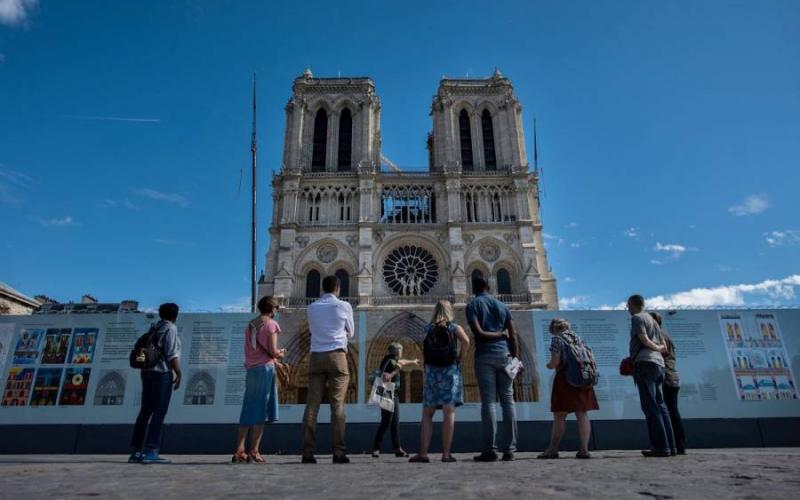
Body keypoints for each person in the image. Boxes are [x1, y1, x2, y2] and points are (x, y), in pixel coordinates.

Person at [409, 300, 470, 463]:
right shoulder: (453, 327)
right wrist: (460, 358)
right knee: (448, 411)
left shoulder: (427, 328)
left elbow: (419, 347)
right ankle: (446, 454)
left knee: (427, 414)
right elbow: (466, 341)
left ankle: (423, 453)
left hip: (431, 372)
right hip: (449, 370)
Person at [302, 275, 355, 464]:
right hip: (337, 356)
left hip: (316, 355)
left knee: (312, 405)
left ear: (322, 289)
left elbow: (312, 329)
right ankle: (338, 452)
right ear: (338, 288)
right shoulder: (344, 306)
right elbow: (351, 331)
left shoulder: (311, 308)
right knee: (337, 406)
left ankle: (308, 452)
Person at [465, 277, 518, 462]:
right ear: (489, 287)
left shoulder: (473, 305)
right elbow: (513, 336)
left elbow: (478, 333)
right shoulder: (502, 306)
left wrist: (497, 334)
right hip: (505, 356)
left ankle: (489, 450)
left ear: (474, 288)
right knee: (508, 402)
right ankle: (510, 449)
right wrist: (516, 360)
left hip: (484, 356)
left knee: (488, 402)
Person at [233, 296, 286, 463]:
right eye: (277, 307)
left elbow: (249, 348)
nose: (277, 310)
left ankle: (239, 450)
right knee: (261, 410)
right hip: (265, 369)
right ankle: (254, 450)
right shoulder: (271, 324)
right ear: (272, 309)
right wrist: (281, 353)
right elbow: (272, 351)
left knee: (248, 408)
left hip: (251, 369)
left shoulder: (251, 325)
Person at [538, 318, 599, 459]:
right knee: (582, 414)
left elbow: (555, 363)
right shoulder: (578, 338)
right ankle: (584, 449)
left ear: (554, 329)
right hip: (583, 378)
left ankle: (552, 449)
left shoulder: (557, 340)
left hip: (565, 379)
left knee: (560, 415)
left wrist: (548, 365)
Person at [129, 302, 182, 464]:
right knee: (159, 412)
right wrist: (178, 372)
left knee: (145, 411)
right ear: (175, 315)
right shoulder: (170, 328)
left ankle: (136, 451)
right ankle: (151, 450)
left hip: (147, 372)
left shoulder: (155, 327)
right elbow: (172, 354)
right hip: (161, 373)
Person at [627, 294, 675, 457]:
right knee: (661, 406)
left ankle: (660, 447)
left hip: (645, 363)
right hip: (659, 365)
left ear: (632, 304)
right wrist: (659, 349)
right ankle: (671, 446)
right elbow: (664, 344)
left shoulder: (637, 318)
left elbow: (644, 339)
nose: (628, 309)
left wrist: (653, 347)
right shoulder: (653, 320)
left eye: (628, 306)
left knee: (650, 407)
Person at [371, 342, 418, 458]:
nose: (401, 352)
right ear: (396, 352)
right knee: (386, 421)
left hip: (393, 392)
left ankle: (397, 448)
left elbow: (402, 362)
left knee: (395, 421)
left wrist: (413, 361)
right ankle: (376, 448)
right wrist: (395, 371)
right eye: (400, 350)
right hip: (387, 391)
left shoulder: (392, 360)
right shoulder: (390, 361)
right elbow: (386, 377)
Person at [649, 312, 686, 455]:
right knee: (673, 410)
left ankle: (672, 445)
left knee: (666, 411)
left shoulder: (658, 336)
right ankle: (679, 444)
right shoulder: (666, 335)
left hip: (665, 377)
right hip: (672, 376)